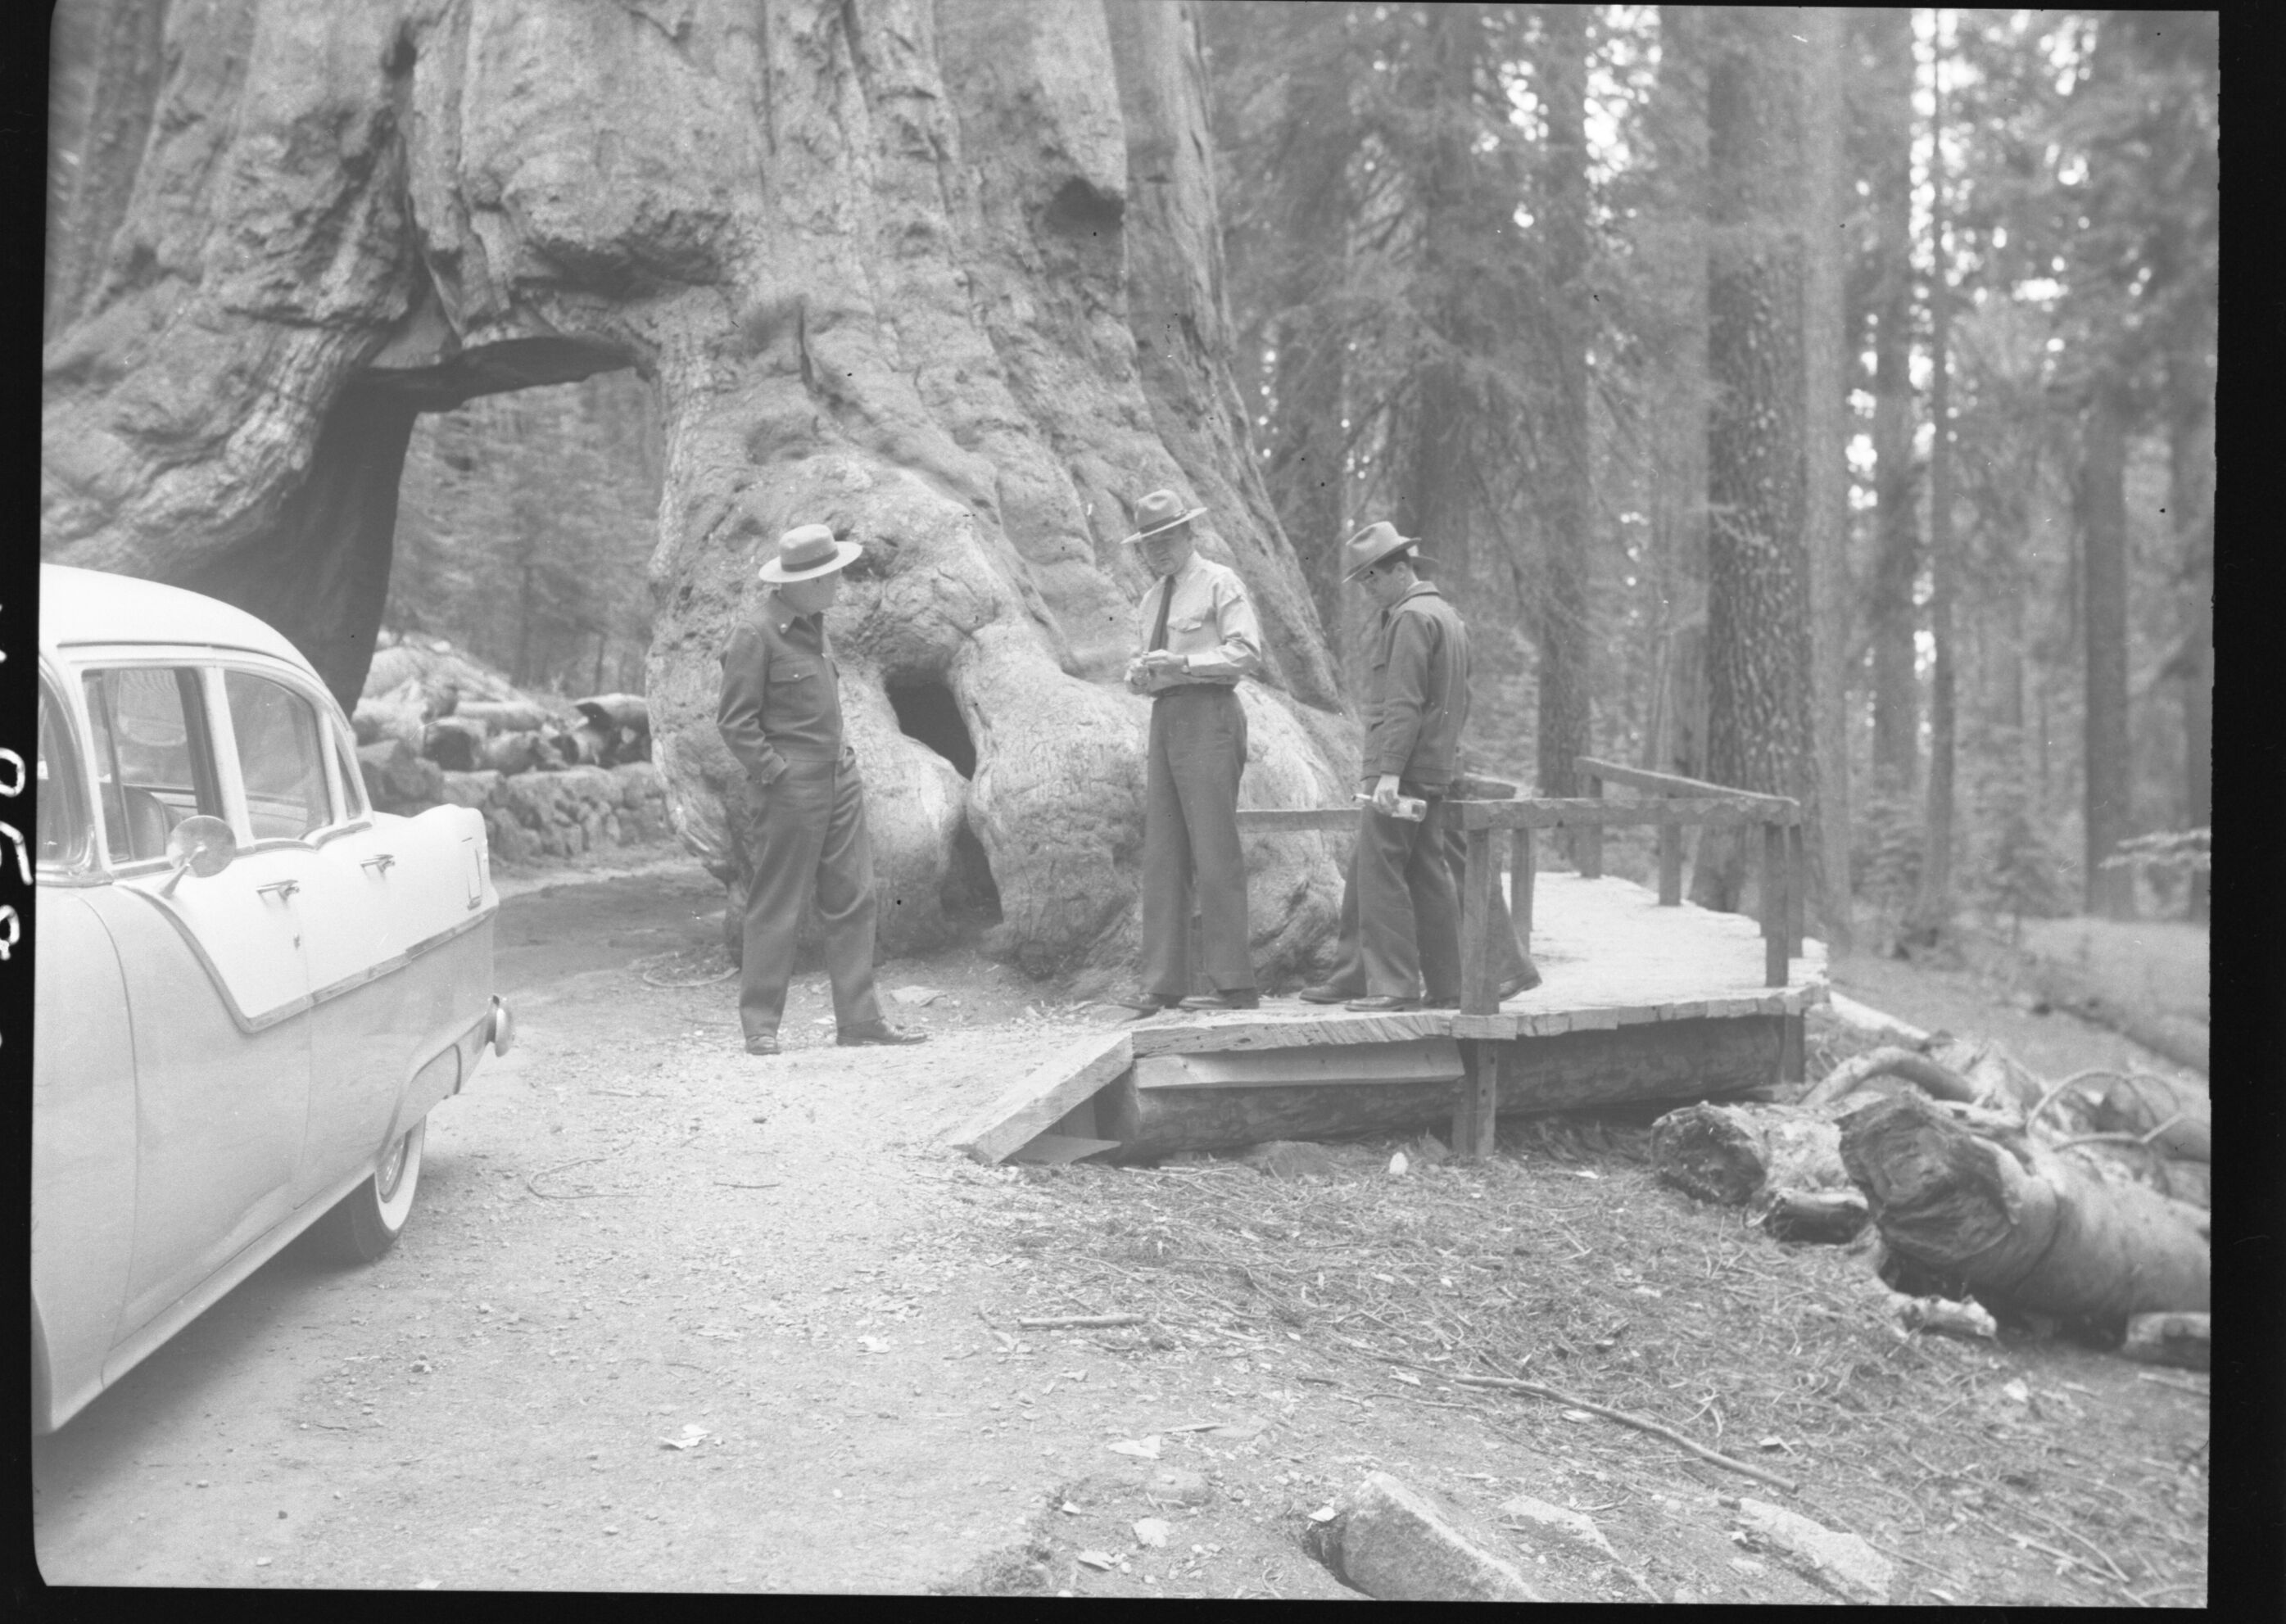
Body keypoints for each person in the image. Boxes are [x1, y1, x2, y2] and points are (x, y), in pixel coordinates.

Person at [717, 523, 928, 1057]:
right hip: (791, 785)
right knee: (777, 903)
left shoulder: (815, 623)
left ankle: (859, 1019)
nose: (838, 582)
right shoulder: (757, 632)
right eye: (829, 574)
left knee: (854, 896)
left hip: (838, 777)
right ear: (802, 581)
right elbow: (735, 721)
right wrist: (776, 772)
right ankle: (760, 1024)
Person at [1301, 522, 1484, 1012]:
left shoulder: (1409, 619)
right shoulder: (1446, 615)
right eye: (1361, 581)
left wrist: (1387, 773)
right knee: (1428, 872)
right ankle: (1449, 986)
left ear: (1402, 570)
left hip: (1403, 772)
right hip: (1434, 768)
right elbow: (1456, 701)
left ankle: (1393, 986)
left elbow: (1403, 704)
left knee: (1382, 874)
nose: (1368, 590)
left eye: (1374, 578)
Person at [1112, 489, 1265, 1015]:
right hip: (1166, 719)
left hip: (1210, 715)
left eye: (1166, 538)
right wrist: (1140, 676)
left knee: (1215, 847)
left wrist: (1185, 665)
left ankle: (1234, 985)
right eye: (1148, 543)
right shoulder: (1152, 600)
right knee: (1163, 850)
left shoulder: (1220, 582)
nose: (1157, 550)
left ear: (1188, 534)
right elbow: (1151, 670)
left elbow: (1246, 653)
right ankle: (1163, 984)